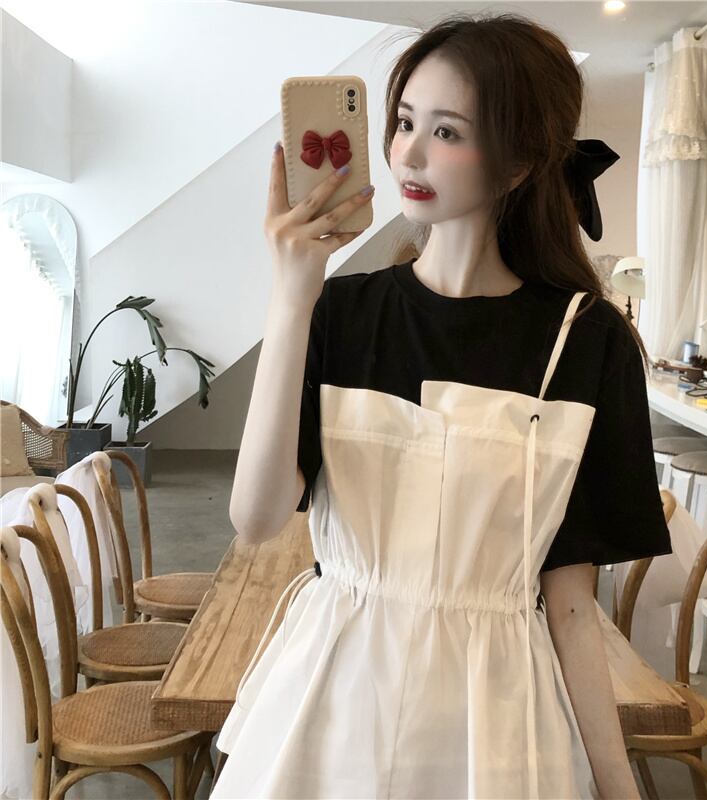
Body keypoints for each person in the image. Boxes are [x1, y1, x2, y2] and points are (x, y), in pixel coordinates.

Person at [213, 11, 672, 799]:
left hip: (495, 724)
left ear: (520, 162)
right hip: (334, 703)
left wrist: (618, 785)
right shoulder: (340, 314)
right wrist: (293, 298)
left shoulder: (586, 342)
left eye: (447, 132)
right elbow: (255, 519)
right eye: (403, 122)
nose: (409, 154)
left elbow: (570, 604)